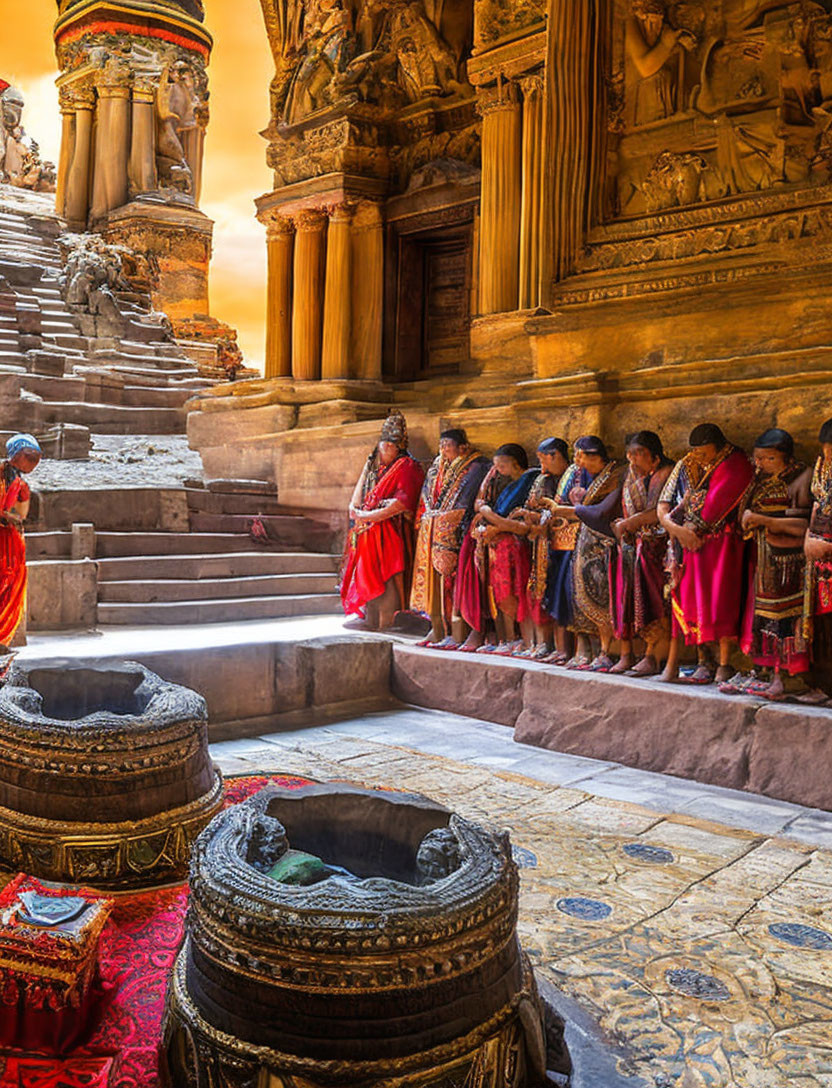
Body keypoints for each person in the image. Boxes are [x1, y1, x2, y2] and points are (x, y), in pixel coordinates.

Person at [719, 428, 814, 701]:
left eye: (767, 458)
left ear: (784, 457)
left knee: (788, 620)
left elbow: (803, 526)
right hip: (763, 560)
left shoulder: (802, 478)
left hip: (790, 563)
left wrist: (765, 521)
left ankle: (790, 676)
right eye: (757, 458)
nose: (759, 464)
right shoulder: (760, 479)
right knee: (764, 619)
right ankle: (764, 671)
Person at [658, 423, 754, 684]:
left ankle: (724, 664)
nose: (699, 458)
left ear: (719, 445)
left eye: (703, 452)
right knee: (694, 599)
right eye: (696, 453)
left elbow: (714, 506)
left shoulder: (736, 464)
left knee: (722, 600)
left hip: (723, 546)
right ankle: (703, 660)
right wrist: (676, 528)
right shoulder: (694, 463)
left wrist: (690, 529)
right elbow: (670, 504)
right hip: (694, 545)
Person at [340, 410, 425, 630]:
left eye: (392, 444)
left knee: (388, 576)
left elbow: (402, 504)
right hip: (367, 531)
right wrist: (354, 509)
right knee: (367, 576)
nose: (387, 447)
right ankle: (370, 618)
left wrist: (368, 516)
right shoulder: (374, 468)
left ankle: (388, 621)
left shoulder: (407, 466)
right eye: (384, 443)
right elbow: (356, 500)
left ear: (400, 447)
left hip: (390, 532)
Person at [410, 429, 490, 648]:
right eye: (441, 444)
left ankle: (457, 634)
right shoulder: (438, 466)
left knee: (454, 585)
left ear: (462, 446)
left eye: (448, 444)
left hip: (456, 532)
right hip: (433, 529)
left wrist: (446, 519)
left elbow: (465, 500)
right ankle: (436, 629)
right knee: (434, 584)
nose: (444, 449)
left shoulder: (476, 466)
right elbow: (428, 495)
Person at [609, 431, 675, 676]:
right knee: (629, 601)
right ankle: (631, 653)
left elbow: (659, 510)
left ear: (655, 457)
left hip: (659, 547)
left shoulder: (667, 474)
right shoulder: (630, 476)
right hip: (634, 546)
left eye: (640, 454)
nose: (634, 459)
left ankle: (653, 655)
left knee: (656, 602)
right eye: (631, 454)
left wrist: (629, 524)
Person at [471, 444, 540, 655]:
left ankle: (523, 640)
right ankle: (508, 639)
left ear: (516, 463)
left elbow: (505, 518)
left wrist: (484, 510)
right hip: (499, 543)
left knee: (513, 592)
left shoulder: (528, 480)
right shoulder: (511, 485)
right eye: (496, 465)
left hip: (513, 544)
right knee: (499, 593)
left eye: (502, 464)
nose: (498, 469)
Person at [517, 438, 572, 659]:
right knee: (540, 591)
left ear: (555, 456)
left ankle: (564, 648)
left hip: (566, 543)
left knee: (562, 594)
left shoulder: (572, 477)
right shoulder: (542, 480)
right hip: (542, 543)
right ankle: (544, 643)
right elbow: (534, 506)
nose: (542, 467)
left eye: (544, 461)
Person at [0, 433, 41, 651]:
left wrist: (12, 515)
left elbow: (20, 514)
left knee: (11, 585)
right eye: (28, 456)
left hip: (11, 540)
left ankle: (2, 638)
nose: (32, 461)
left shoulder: (20, 485)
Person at [802, 417, 832, 703]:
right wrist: (809, 537)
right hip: (820, 561)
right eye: (826, 449)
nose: (828, 455)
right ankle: (824, 687)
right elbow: (816, 504)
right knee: (822, 625)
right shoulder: (822, 467)